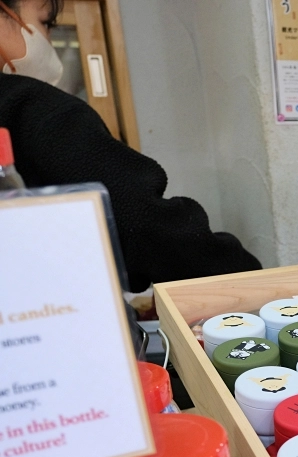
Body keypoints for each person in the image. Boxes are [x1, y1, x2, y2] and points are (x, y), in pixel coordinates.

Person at [0, 0, 261, 292]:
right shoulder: (34, 108)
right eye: (46, 21)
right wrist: (250, 279)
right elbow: (145, 222)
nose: (47, 37)